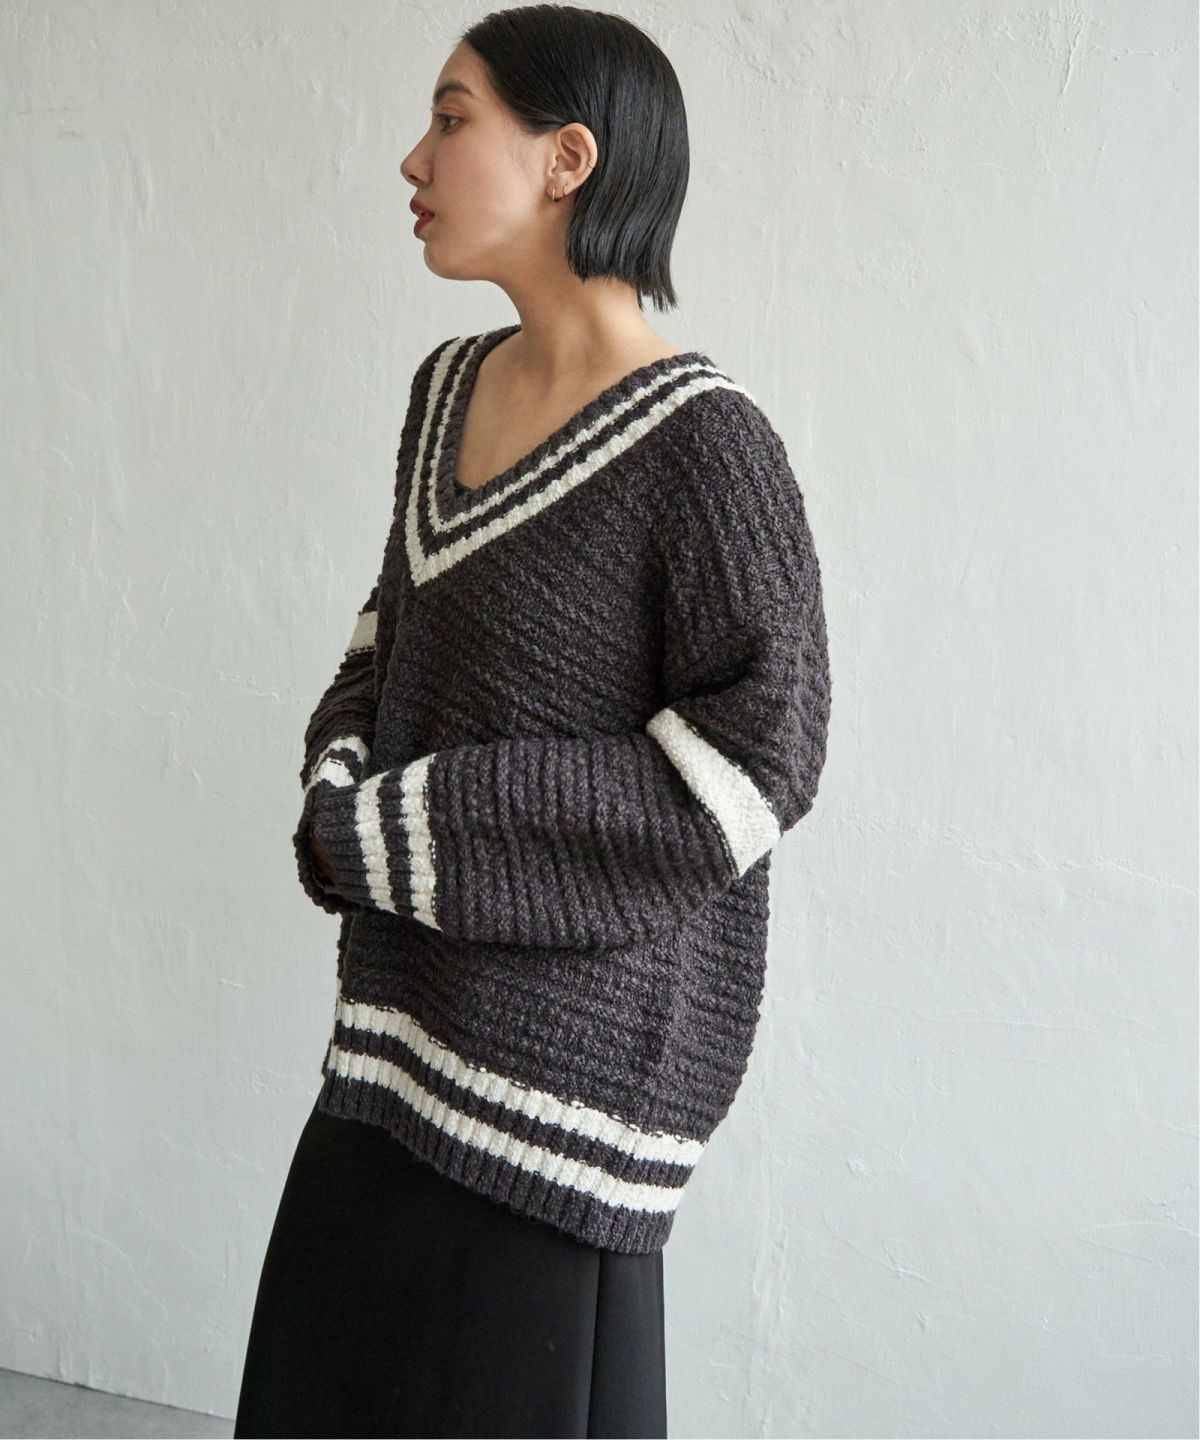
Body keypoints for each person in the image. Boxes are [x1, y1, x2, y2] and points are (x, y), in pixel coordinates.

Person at [234, 5, 832, 1437]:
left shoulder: (707, 448)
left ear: (568, 159)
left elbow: (754, 767)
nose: (413, 159)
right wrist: (338, 784)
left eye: (451, 119)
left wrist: (404, 826)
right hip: (394, 1038)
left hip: (563, 1096)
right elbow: (391, 636)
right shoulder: (446, 390)